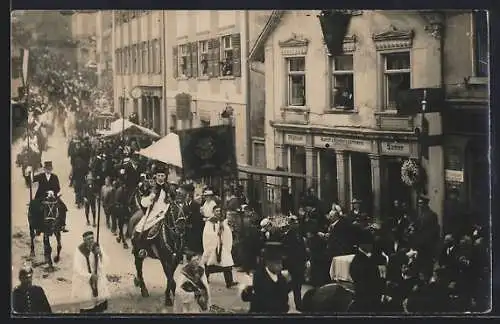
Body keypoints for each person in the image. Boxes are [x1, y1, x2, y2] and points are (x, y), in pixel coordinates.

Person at [240, 241, 292, 313]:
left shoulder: (282, 278)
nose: (281, 266)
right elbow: (245, 297)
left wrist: (289, 284)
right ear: (268, 263)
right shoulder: (257, 277)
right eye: (277, 263)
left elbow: (284, 299)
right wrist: (247, 288)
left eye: (281, 263)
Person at [71, 231, 110, 313]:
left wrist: (100, 254)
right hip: (85, 281)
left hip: (98, 280)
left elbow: (106, 262)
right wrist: (90, 276)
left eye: (92, 238)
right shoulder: (79, 250)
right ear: (84, 240)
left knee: (100, 305)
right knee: (88, 306)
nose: (91, 240)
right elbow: (77, 268)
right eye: (89, 239)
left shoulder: (97, 246)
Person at [201, 205, 238, 288]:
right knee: (211, 264)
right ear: (213, 212)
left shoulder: (221, 221)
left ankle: (229, 282)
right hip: (214, 245)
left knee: (226, 263)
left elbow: (225, 232)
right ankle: (205, 277)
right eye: (216, 211)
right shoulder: (210, 221)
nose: (218, 212)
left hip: (221, 245)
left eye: (219, 211)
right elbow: (207, 234)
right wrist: (216, 234)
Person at [348, 230, 385, 312]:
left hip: (376, 296)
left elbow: (382, 275)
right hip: (364, 298)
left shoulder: (377, 257)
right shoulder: (358, 261)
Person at [32, 161, 69, 232]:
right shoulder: (40, 176)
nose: (48, 170)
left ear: (51, 169)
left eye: (50, 169)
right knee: (35, 208)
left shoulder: (55, 177)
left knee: (63, 207)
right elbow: (31, 179)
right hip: (41, 196)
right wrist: (29, 174)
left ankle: (62, 225)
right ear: (44, 169)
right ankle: (37, 226)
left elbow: (58, 187)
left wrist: (53, 192)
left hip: (52, 196)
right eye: (47, 169)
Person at [182, 183, 204, 254]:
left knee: (194, 239)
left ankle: (195, 251)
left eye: (189, 194)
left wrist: (192, 224)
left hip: (194, 226)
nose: (188, 196)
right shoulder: (184, 204)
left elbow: (197, 217)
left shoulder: (196, 204)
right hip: (186, 225)